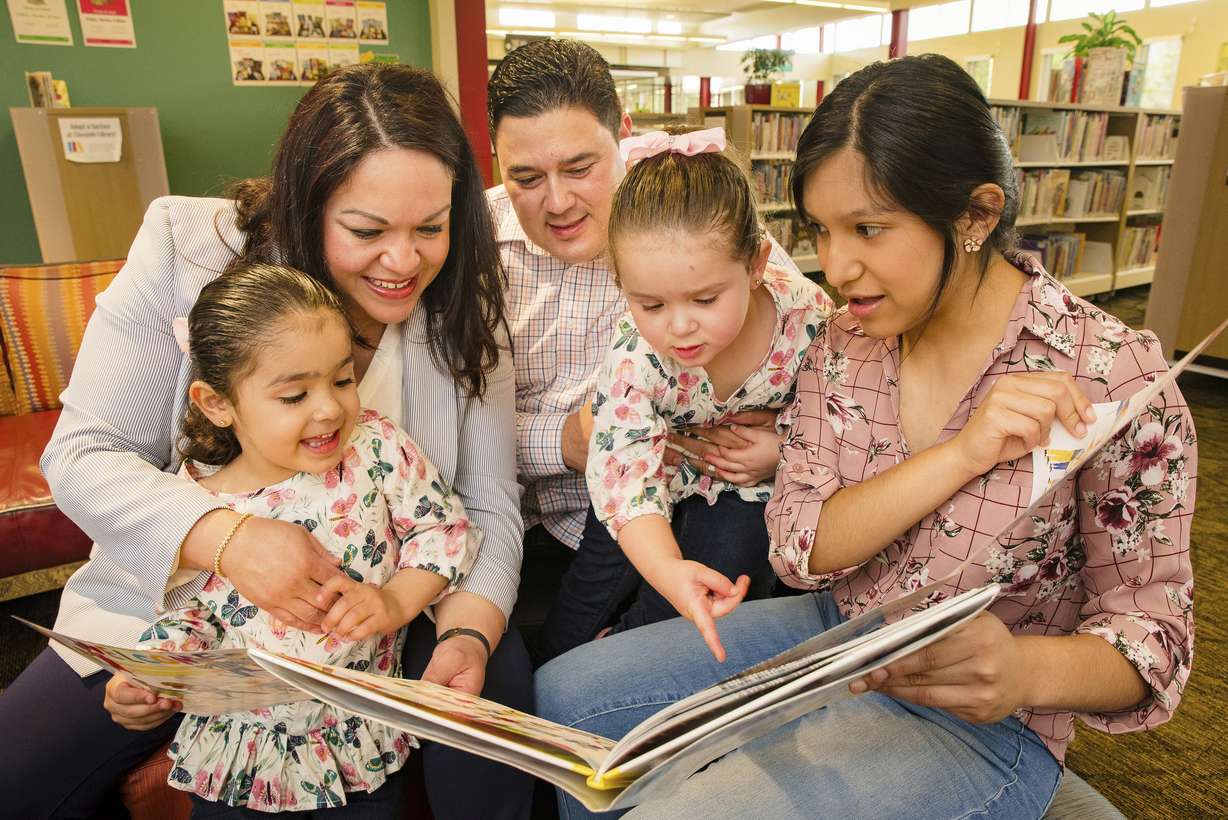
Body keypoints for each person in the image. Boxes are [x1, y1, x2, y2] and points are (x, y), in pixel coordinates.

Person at [536, 54, 1196, 819]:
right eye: (822, 229)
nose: (838, 265)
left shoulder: (1111, 373)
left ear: (977, 215)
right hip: (838, 632)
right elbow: (797, 544)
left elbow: (1154, 633)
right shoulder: (844, 342)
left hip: (986, 724)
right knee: (566, 699)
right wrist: (960, 455)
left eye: (869, 229)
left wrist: (1024, 670)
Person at [0, 64, 533, 820]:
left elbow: (485, 507)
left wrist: (469, 636)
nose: (404, 261)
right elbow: (83, 454)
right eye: (367, 230)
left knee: (489, 733)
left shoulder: (465, 314)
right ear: (305, 205)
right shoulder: (189, 248)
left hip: (382, 609)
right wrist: (229, 539)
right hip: (184, 607)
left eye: (431, 227)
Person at [485, 40, 833, 659]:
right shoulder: (472, 251)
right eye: (527, 178)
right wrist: (568, 439)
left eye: (580, 167)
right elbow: (451, 432)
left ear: (622, 133)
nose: (559, 201)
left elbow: (847, 399)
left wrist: (785, 447)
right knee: (581, 607)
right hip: (587, 508)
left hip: (724, 495)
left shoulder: (774, 286)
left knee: (725, 571)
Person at [111, 263, 478, 815]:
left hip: (354, 745)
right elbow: (192, 616)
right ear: (217, 403)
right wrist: (151, 677)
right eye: (293, 395)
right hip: (240, 756)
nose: (329, 408)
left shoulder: (375, 450)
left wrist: (395, 600)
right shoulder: (195, 501)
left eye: (342, 379)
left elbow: (440, 530)